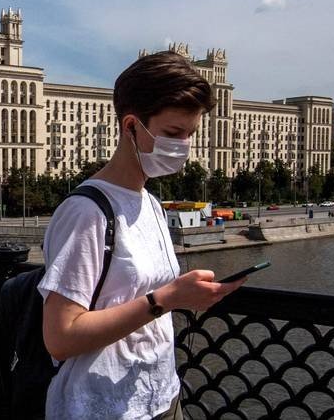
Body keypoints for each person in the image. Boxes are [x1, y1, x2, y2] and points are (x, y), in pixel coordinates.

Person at [37, 51, 247, 419]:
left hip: (162, 398)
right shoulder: (86, 212)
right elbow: (60, 337)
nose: (183, 147)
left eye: (190, 134)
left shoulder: (150, 203)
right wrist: (165, 298)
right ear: (131, 126)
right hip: (104, 407)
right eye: (173, 134)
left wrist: (183, 294)